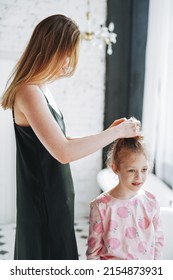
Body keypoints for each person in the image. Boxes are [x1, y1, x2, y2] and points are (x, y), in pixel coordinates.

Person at [1, 14, 141, 260]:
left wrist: (107, 133)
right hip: (42, 200)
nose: (68, 62)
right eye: (67, 53)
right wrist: (115, 133)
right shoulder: (29, 91)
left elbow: (62, 141)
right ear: (51, 48)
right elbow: (63, 152)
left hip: (55, 196)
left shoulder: (41, 88)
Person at [86, 137, 164, 260]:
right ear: (115, 168)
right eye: (132, 170)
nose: (139, 177)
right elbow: (94, 248)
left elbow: (158, 240)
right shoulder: (101, 205)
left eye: (144, 169)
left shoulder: (151, 201)